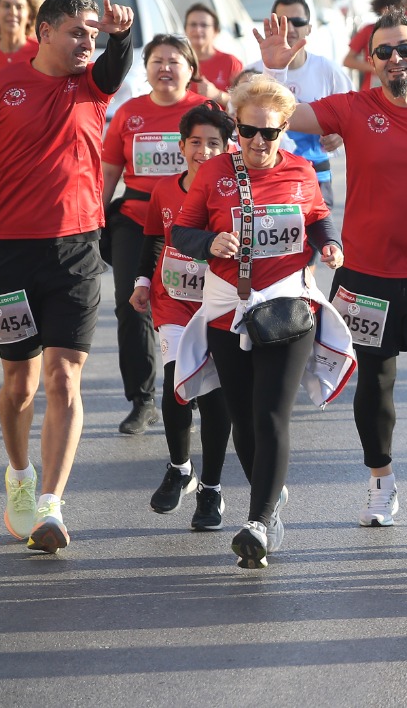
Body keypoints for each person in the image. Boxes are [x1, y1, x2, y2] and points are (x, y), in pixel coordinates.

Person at [256, 11, 407, 525]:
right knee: (375, 382)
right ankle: (381, 482)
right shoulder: (353, 108)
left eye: (404, 49)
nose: (395, 59)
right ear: (371, 61)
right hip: (366, 273)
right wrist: (275, 72)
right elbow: (280, 118)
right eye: (383, 52)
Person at [0, 0, 136, 554]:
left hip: (76, 252)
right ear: (43, 33)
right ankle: (19, 476)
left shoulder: (93, 85)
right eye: (76, 31)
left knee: (63, 377)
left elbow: (117, 64)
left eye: (92, 32)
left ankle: (50, 504)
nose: (86, 41)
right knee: (19, 383)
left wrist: (120, 35)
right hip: (13, 254)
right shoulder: (0, 86)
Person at [171, 75, 346, 569]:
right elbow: (181, 231)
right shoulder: (212, 175)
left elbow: (317, 217)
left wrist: (329, 243)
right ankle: (268, 503)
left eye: (269, 134)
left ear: (284, 130)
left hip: (287, 304)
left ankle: (259, 521)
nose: (258, 142)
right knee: (243, 418)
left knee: (270, 413)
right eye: (248, 132)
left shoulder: (301, 170)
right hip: (228, 305)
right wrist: (209, 244)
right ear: (236, 129)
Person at [128, 104, 235, 530]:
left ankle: (211, 490)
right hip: (172, 298)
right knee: (177, 382)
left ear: (228, 148)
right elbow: (153, 237)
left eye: (214, 144)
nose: (204, 151)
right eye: (196, 143)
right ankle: (179, 466)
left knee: (214, 398)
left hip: (220, 301)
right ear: (182, 146)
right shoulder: (163, 190)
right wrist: (140, 280)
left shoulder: (234, 193)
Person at [102, 34, 211, 434]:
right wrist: (96, 217)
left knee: (197, 305)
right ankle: (143, 399)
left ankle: (197, 388)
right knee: (133, 305)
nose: (165, 68)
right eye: (157, 61)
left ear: (190, 69)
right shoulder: (129, 112)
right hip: (135, 218)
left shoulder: (206, 109)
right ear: (145, 69)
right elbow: (110, 170)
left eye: (174, 60)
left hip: (194, 222)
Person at [252, 0, 353, 205]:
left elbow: (354, 115)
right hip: (266, 174)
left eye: (298, 22)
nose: (290, 28)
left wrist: (341, 135)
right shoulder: (253, 72)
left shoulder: (329, 71)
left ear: (309, 28)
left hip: (316, 173)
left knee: (318, 237)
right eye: (282, 21)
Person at [343, 0, 407, 92]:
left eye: (397, 8)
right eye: (388, 8)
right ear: (380, 8)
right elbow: (348, 60)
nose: (392, 12)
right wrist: (375, 67)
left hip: (402, 88)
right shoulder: (368, 30)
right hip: (373, 89)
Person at [183, 3, 244, 107]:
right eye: (193, 25)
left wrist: (217, 94)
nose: (198, 30)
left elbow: (244, 103)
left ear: (216, 31)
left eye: (204, 25)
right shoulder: (178, 62)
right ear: (185, 30)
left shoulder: (230, 62)